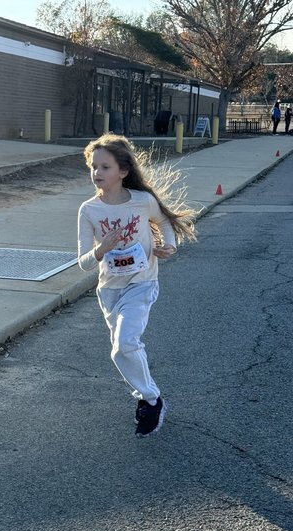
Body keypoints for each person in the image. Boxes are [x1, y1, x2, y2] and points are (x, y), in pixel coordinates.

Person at [77, 134, 196, 438]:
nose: (97, 172)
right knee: (123, 350)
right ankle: (147, 397)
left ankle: (151, 399)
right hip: (109, 290)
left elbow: (165, 222)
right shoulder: (89, 210)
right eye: (93, 167)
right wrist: (101, 249)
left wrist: (170, 245)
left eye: (105, 167)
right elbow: (84, 263)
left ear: (123, 171)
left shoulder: (142, 201)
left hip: (142, 283)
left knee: (124, 345)